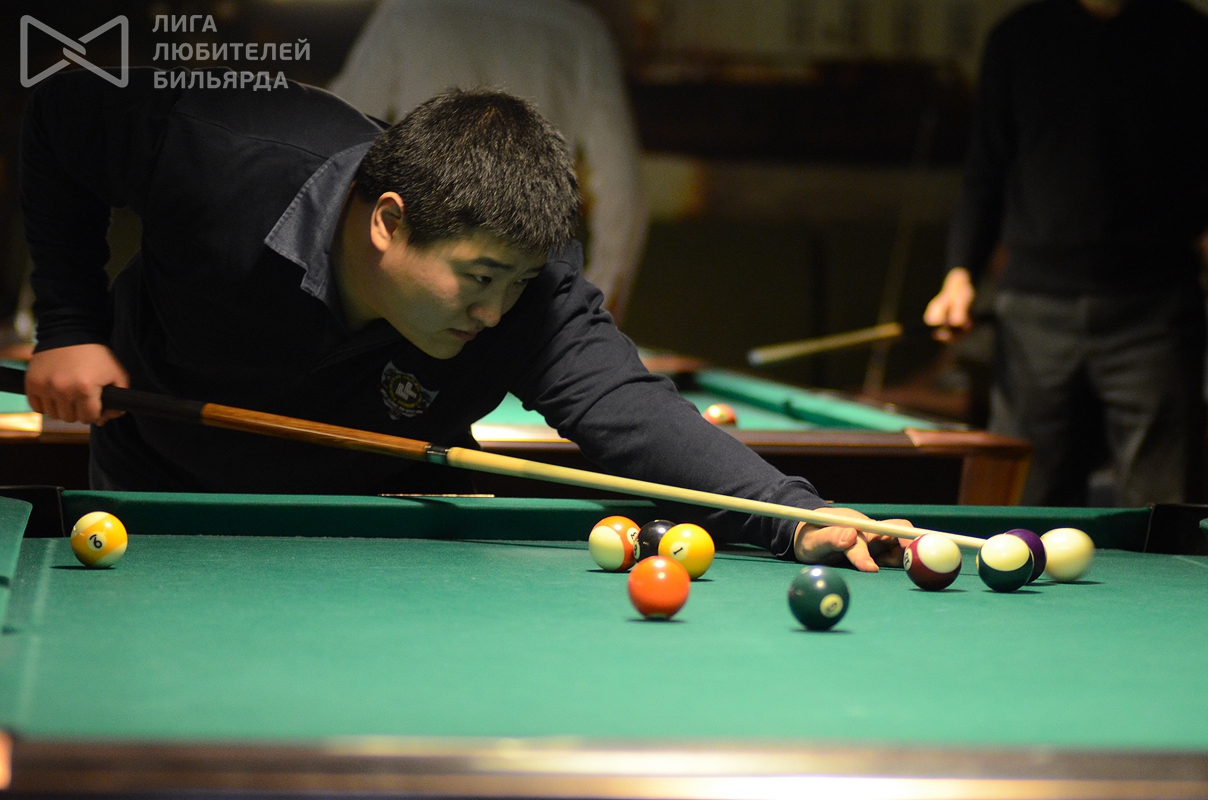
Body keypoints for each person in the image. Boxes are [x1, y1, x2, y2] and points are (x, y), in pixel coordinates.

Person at [19, 67, 905, 570]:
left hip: (383, 519)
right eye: (478, 278)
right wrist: (69, 325)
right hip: (161, 480)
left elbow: (627, 406)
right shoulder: (224, 155)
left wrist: (795, 514)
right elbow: (58, 116)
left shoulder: (525, 295)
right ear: (388, 221)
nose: (494, 311)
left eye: (516, 284)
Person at [924, 0, 1208, 506]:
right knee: (1024, 503)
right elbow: (986, 165)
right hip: (1034, 312)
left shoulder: (1190, 35)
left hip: (1155, 310)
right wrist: (960, 273)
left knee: (1164, 507)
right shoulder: (1019, 36)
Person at [328, 0, 648, 320]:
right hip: (521, 282)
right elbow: (623, 189)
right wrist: (600, 300)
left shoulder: (408, 11)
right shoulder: (580, 30)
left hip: (423, 263)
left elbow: (337, 136)